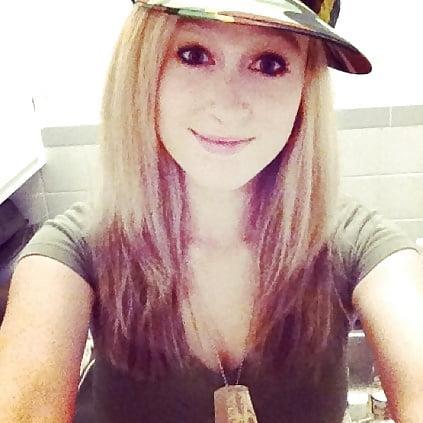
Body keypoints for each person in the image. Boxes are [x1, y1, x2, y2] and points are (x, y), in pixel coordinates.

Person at [0, 0, 422, 422]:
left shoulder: (362, 247)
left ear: (305, 88)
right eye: (193, 55)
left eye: (270, 64)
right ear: (143, 68)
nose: (227, 106)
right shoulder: (71, 254)